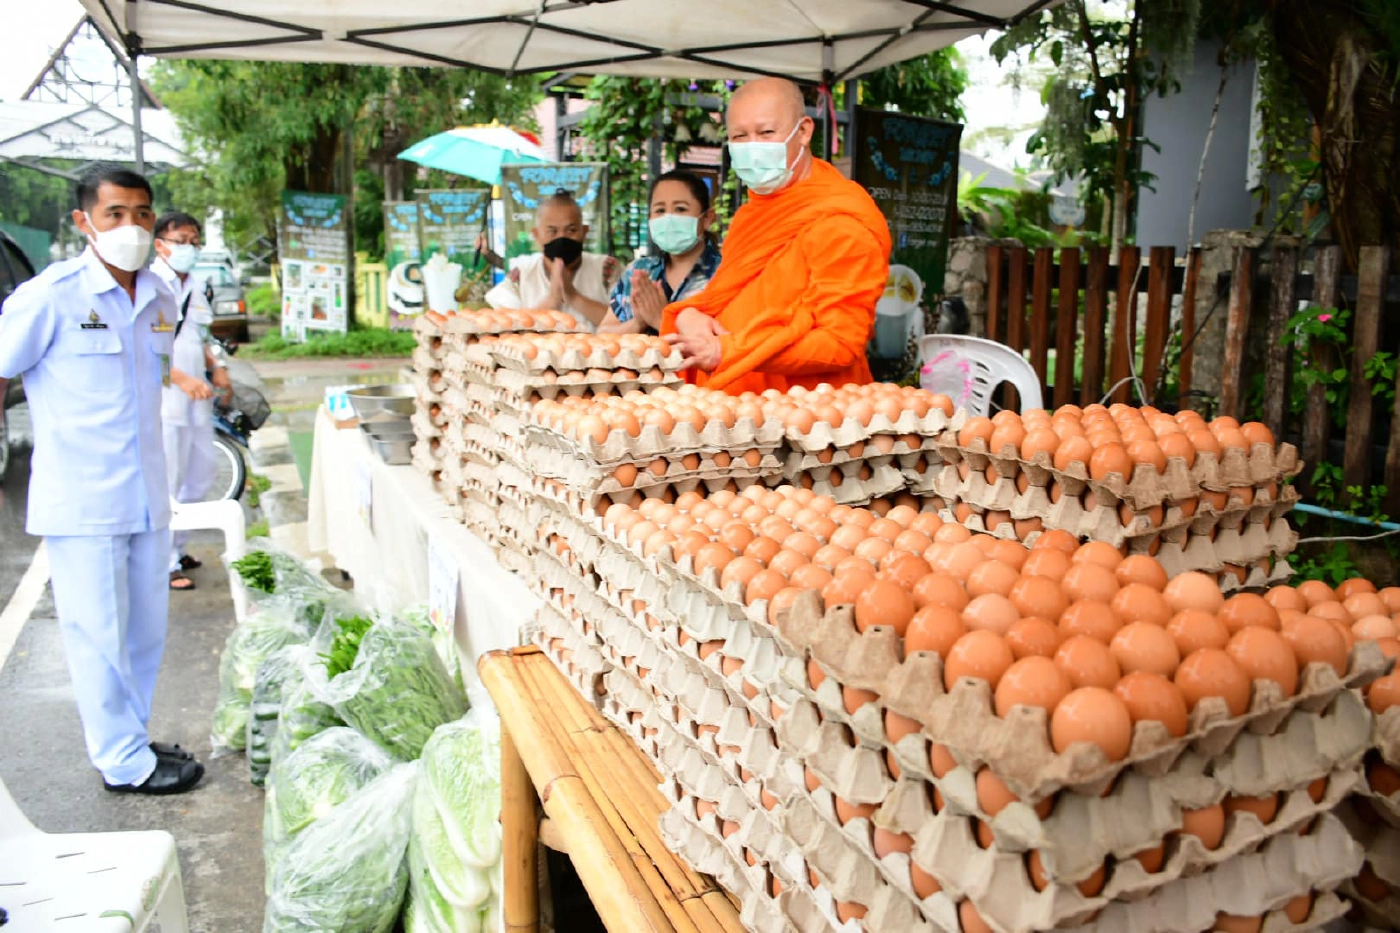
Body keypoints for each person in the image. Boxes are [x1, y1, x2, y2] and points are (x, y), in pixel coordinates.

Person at [0, 166, 204, 795]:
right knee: (97, 638)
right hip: (82, 499)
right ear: (84, 221)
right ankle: (121, 763)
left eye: (142, 213)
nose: (132, 226)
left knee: (143, 633)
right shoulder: (50, 296)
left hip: (146, 492)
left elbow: (161, 370)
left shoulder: (161, 298)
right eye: (115, 213)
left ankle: (133, 739)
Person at [662, 77, 891, 394]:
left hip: (808, 420)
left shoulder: (841, 222)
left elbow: (839, 342)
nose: (752, 146)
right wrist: (691, 314)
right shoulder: (751, 215)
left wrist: (727, 351)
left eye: (766, 132)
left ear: (804, 131)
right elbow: (729, 298)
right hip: (737, 410)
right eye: (740, 136)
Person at [153, 211, 230, 591]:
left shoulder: (194, 284)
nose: (190, 247)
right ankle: (164, 563)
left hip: (197, 394)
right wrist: (181, 379)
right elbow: (149, 350)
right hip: (168, 397)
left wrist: (217, 367)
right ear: (160, 244)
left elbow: (198, 335)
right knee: (168, 478)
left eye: (194, 240)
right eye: (181, 240)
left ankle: (179, 547)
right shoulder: (151, 284)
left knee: (201, 473)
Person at [601, 170, 723, 336]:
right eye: (660, 210)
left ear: (707, 218)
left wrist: (661, 320)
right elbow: (604, 335)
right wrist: (638, 323)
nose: (669, 218)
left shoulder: (725, 274)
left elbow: (729, 343)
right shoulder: (638, 272)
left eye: (680, 209)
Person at [484, 189, 622, 330]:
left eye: (571, 230)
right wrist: (552, 300)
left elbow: (625, 322)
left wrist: (573, 297)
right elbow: (505, 324)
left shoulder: (607, 269)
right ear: (537, 235)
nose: (561, 237)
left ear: (584, 232)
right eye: (552, 231)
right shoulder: (522, 274)